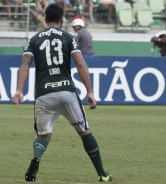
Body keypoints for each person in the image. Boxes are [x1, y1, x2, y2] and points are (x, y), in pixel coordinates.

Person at [12, 3, 112, 182]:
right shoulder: (69, 37)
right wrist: (89, 91)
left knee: (43, 135)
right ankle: (102, 174)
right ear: (61, 19)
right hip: (67, 92)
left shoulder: (33, 39)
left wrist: (19, 90)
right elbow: (80, 63)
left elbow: (25, 65)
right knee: (85, 132)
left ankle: (35, 160)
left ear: (45, 17)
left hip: (44, 94)